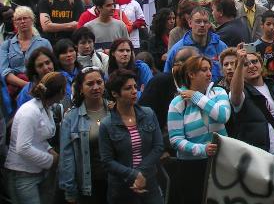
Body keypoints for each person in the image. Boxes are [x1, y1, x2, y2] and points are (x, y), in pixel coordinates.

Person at [168, 55, 231, 204]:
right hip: (191, 167)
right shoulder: (177, 102)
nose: (209, 73)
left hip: (220, 161)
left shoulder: (218, 92)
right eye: (204, 70)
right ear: (191, 74)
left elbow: (222, 116)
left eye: (210, 69)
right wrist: (202, 149)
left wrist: (196, 96)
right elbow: (176, 140)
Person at [99, 69, 163, 203]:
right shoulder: (107, 124)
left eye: (135, 86)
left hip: (148, 182)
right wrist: (133, 175)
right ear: (115, 93)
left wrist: (140, 173)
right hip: (122, 188)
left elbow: (158, 147)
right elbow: (107, 161)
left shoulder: (148, 114)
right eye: (128, 88)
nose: (134, 91)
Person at [4, 72, 66, 204]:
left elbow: (38, 138)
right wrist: (50, 160)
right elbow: (23, 147)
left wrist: (49, 149)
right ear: (61, 91)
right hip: (22, 174)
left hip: (37, 171)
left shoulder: (45, 108)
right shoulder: (30, 111)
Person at [228, 46, 274, 157]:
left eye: (254, 62)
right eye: (245, 64)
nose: (251, 66)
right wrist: (239, 63)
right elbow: (235, 95)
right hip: (257, 161)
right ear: (239, 70)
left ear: (261, 64)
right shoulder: (240, 93)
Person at [59, 67, 110, 204]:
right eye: (90, 84)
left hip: (116, 182)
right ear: (80, 88)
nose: (96, 87)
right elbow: (67, 157)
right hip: (88, 185)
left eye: (99, 82)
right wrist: (70, 190)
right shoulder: (71, 118)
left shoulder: (115, 110)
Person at [0, 6, 52, 100]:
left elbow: (52, 68)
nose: (22, 21)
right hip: (14, 93)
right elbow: (4, 72)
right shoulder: (6, 45)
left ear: (32, 20)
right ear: (15, 23)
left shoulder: (44, 43)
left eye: (25, 18)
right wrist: (28, 85)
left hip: (42, 89)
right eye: (19, 19)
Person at [163, 7, 227, 81]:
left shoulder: (221, 47)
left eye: (205, 21)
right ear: (190, 23)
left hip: (217, 91)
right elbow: (167, 78)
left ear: (209, 24)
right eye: (198, 21)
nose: (202, 25)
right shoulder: (178, 50)